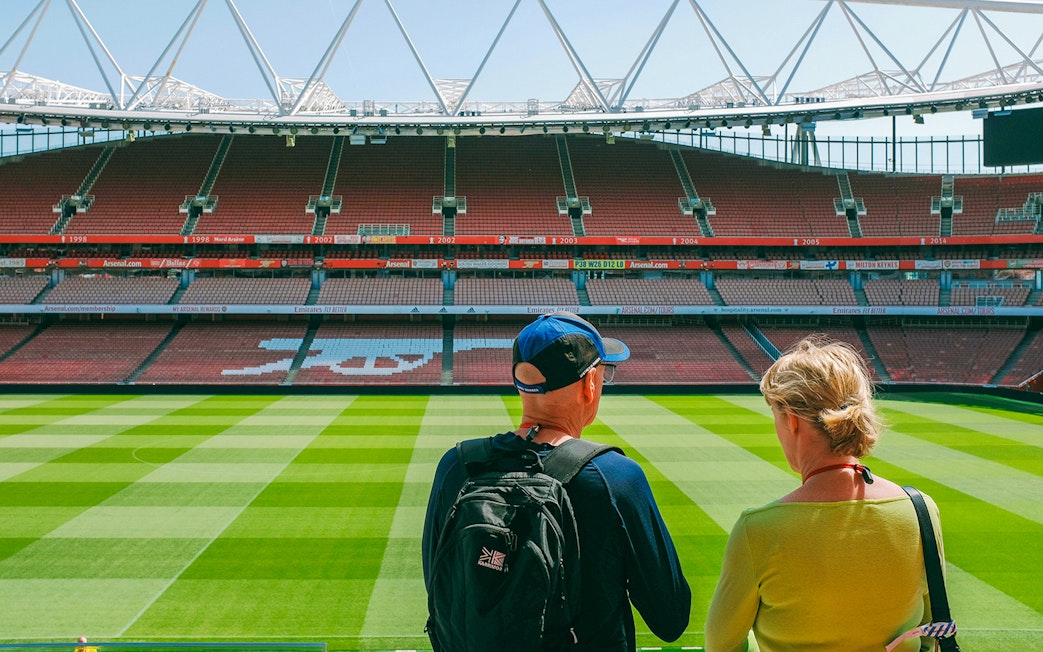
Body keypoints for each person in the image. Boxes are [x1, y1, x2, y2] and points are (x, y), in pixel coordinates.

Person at [423, 311, 691, 651]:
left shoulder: (457, 467)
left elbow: (439, 585)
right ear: (590, 383)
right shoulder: (616, 477)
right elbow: (671, 618)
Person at [705, 336, 946, 652]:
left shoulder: (758, 530)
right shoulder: (920, 510)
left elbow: (721, 645)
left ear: (791, 420)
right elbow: (930, 634)